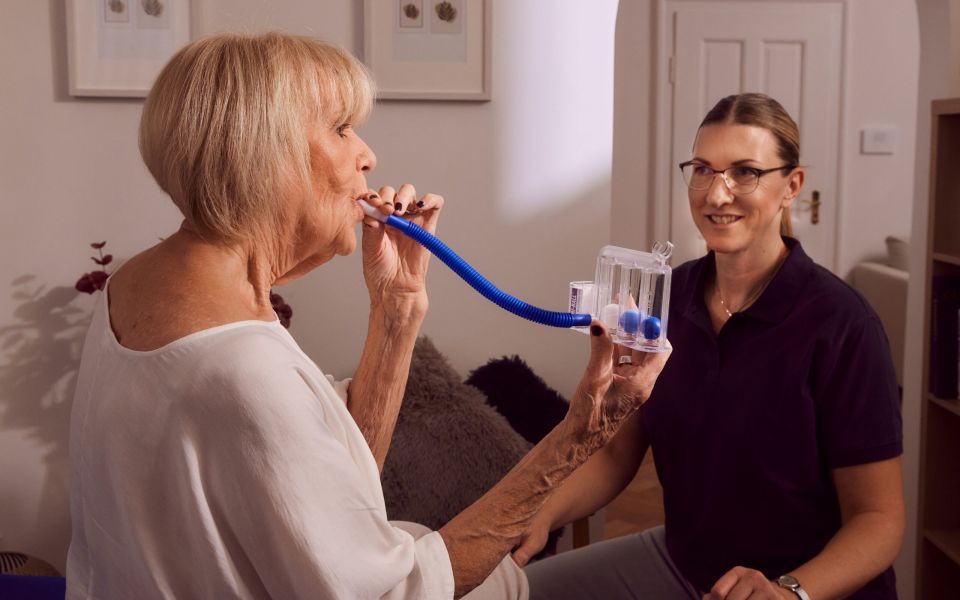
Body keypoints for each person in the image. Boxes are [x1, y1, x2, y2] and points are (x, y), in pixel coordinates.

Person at [64, 33, 672, 600]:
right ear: (266, 158)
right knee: (506, 582)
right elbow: (391, 593)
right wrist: (576, 438)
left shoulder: (134, 283)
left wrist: (396, 309)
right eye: (341, 129)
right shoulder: (244, 368)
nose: (368, 155)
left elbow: (347, 477)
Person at [518, 93, 904, 599]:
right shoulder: (667, 300)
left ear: (791, 186)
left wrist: (789, 592)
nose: (718, 194)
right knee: (516, 592)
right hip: (686, 564)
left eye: (745, 172)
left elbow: (878, 519)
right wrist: (540, 512)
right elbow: (615, 456)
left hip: (807, 585)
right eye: (703, 169)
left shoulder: (843, 325)